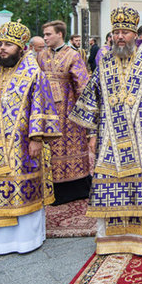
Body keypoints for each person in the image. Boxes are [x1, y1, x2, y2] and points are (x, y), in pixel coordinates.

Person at [69, 7, 142, 256]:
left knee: (140, 188)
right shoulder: (104, 65)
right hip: (108, 141)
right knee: (108, 184)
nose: (120, 36)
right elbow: (91, 99)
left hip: (141, 141)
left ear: (135, 35)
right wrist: (91, 134)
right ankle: (109, 241)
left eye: (125, 31)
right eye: (116, 32)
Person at [0, 21, 61, 255]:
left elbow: (41, 106)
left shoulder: (33, 74)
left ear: (21, 48)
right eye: (0, 44)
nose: (3, 49)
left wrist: (36, 138)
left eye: (9, 44)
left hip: (21, 146)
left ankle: (27, 240)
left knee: (21, 188)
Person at [39, 20, 91, 205]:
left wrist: (84, 113)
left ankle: (75, 188)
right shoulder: (41, 55)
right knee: (50, 147)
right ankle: (51, 188)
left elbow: (82, 84)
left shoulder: (73, 55)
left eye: (48, 34)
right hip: (46, 110)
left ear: (60, 34)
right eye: (44, 35)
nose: (45, 38)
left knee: (71, 146)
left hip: (68, 111)